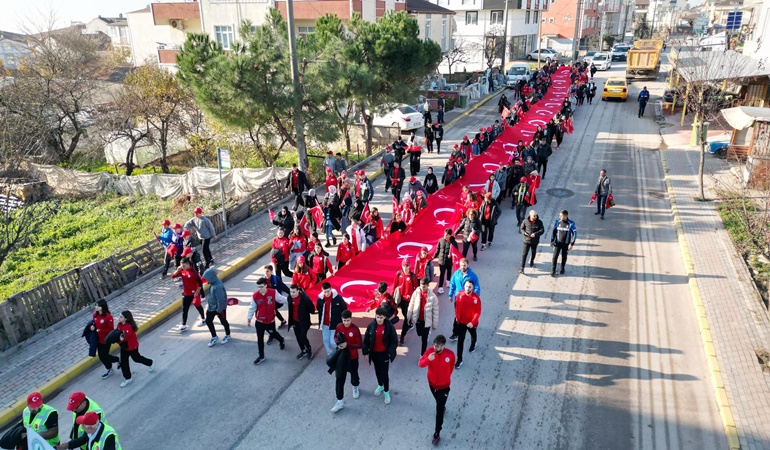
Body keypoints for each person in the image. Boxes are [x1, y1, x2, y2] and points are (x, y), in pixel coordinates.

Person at [418, 335, 455, 446]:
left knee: (438, 410)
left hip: (444, 387)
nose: (435, 348)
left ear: (443, 346)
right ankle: (441, 405)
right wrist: (428, 359)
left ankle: (437, 432)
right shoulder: (430, 352)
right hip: (432, 384)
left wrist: (445, 377)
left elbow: (451, 367)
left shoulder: (450, 355)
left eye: (438, 346)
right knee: (438, 402)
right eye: (434, 345)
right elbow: (420, 364)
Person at [362, 307, 398, 405]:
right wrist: (366, 353)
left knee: (384, 373)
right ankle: (380, 385)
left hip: (384, 354)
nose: (379, 319)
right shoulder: (371, 326)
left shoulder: (389, 327)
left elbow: (394, 341)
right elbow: (366, 340)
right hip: (374, 354)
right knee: (377, 371)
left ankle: (386, 391)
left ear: (385, 317)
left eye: (381, 318)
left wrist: (390, 353)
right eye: (377, 317)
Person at [247, 277, 287, 365]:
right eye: (258, 287)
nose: (259, 289)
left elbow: (282, 299)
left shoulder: (273, 292)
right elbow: (252, 307)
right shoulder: (255, 296)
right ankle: (261, 356)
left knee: (273, 333)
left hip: (270, 321)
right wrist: (249, 318)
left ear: (265, 285)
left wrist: (292, 300)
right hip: (260, 322)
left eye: (261, 286)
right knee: (260, 339)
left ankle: (281, 340)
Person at [330, 310, 363, 412]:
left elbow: (360, 344)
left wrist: (347, 345)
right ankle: (339, 401)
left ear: (351, 319)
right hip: (341, 358)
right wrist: (338, 343)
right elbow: (335, 336)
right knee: (339, 379)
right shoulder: (339, 326)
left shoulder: (355, 329)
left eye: (348, 320)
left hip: (353, 358)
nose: (346, 323)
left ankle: (355, 386)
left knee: (354, 375)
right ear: (341, 319)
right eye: (344, 320)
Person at [115, 310, 155, 388]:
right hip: (124, 347)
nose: (118, 318)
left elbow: (123, 338)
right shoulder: (119, 325)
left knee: (137, 359)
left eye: (121, 317)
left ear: (126, 319)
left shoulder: (128, 327)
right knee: (124, 362)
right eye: (119, 316)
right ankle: (128, 378)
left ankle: (150, 362)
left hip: (132, 347)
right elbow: (117, 334)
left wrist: (117, 339)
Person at [447, 258, 481, 341]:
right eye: (461, 265)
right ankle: (455, 333)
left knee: (470, 315)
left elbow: (477, 287)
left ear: (468, 265)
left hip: (469, 300)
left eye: (464, 265)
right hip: (458, 299)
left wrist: (475, 297)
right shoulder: (456, 274)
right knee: (457, 316)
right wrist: (450, 295)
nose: (462, 267)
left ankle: (473, 326)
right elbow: (452, 285)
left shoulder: (473, 275)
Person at [171, 258, 206, 332]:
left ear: (188, 264)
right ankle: (183, 324)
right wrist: (177, 270)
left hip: (194, 293)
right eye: (181, 265)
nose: (182, 267)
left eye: (183, 265)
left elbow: (200, 283)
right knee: (185, 309)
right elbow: (173, 276)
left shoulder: (193, 273)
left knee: (198, 306)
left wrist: (197, 292)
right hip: (186, 293)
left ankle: (203, 319)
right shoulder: (182, 271)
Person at [453, 279, 481, 369]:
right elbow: (456, 306)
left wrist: (472, 322)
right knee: (460, 341)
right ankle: (459, 359)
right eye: (466, 286)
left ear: (472, 288)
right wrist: (457, 317)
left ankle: (473, 344)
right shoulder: (460, 295)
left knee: (473, 334)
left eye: (469, 287)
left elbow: (478, 312)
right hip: (461, 322)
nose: (467, 288)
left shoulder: (476, 298)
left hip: (471, 323)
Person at [407, 278, 439, 356]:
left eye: (424, 286)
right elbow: (411, 304)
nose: (422, 288)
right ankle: (426, 334)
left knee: (424, 339)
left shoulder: (433, 297)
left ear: (428, 285)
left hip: (427, 320)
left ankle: (423, 355)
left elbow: (435, 311)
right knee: (419, 333)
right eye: (421, 286)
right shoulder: (416, 293)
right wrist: (408, 316)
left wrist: (434, 324)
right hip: (418, 318)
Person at [317, 282, 348, 355]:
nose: (327, 293)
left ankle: (340, 352)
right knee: (326, 340)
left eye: (328, 291)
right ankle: (330, 354)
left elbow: (344, 308)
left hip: (335, 324)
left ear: (331, 289)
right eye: (325, 292)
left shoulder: (338, 298)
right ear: (322, 291)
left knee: (333, 341)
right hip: (325, 324)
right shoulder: (320, 299)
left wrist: (343, 322)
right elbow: (319, 309)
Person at [203, 268, 231, 346]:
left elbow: (221, 300)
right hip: (211, 306)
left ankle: (228, 335)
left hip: (219, 308)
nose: (206, 280)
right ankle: (214, 336)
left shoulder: (217, 286)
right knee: (208, 321)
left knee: (223, 321)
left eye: (207, 279)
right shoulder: (213, 282)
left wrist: (219, 310)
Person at [92, 300, 119, 380]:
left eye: (98, 306)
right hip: (98, 339)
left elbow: (111, 329)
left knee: (104, 356)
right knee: (102, 356)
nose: (96, 307)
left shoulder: (108, 317)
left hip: (106, 339)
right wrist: (92, 328)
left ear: (102, 307)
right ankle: (115, 361)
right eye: (96, 305)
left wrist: (100, 330)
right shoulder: (95, 315)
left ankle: (110, 368)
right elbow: (93, 324)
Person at [393, 258, 418, 345]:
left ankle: (402, 336)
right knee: (404, 314)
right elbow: (395, 286)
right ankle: (410, 323)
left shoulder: (413, 276)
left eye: (407, 265)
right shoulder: (398, 274)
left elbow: (416, 289)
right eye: (404, 265)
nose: (405, 267)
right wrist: (393, 299)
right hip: (401, 299)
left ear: (410, 266)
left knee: (406, 318)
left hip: (409, 301)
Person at [287, 284, 315, 360]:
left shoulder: (305, 299)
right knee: (298, 337)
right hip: (295, 322)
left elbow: (312, 309)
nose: (292, 294)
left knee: (303, 337)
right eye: (291, 292)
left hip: (304, 322)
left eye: (293, 292)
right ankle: (303, 350)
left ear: (298, 291)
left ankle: (309, 349)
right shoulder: (289, 298)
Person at [550, 210, 577, 276]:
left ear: (565, 216)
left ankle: (562, 268)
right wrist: (552, 241)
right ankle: (553, 270)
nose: (560, 217)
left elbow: (575, 234)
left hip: (566, 244)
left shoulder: (571, 223)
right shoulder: (557, 222)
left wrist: (571, 243)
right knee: (554, 256)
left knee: (564, 256)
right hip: (557, 243)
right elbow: (554, 232)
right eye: (560, 215)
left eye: (561, 216)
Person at [433, 228, 458, 295]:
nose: (445, 236)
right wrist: (433, 257)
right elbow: (437, 250)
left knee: (449, 271)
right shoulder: (440, 240)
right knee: (442, 274)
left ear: (450, 235)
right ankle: (440, 287)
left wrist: (452, 256)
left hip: (449, 261)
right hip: (441, 261)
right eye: (445, 234)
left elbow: (456, 252)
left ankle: (448, 281)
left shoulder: (453, 243)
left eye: (447, 235)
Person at [519, 210, 545, 274]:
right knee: (524, 254)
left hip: (535, 241)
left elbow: (542, 230)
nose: (535, 216)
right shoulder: (525, 221)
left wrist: (535, 234)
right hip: (526, 240)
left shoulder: (539, 222)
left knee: (533, 252)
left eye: (536, 215)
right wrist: (524, 233)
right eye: (534, 215)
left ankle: (532, 261)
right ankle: (522, 268)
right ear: (530, 215)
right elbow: (521, 228)